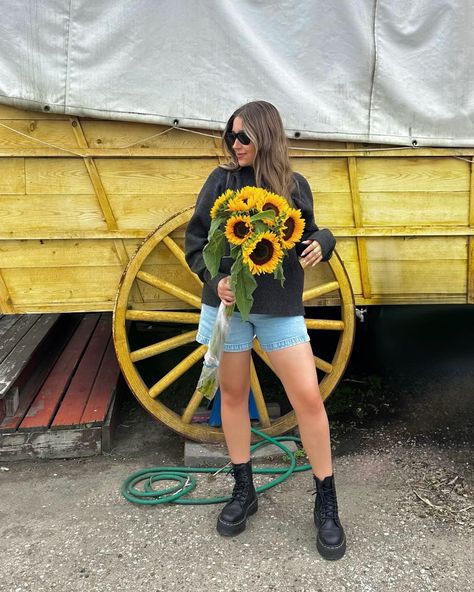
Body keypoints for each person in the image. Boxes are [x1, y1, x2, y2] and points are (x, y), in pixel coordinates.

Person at [185, 100, 345, 560]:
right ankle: (243, 489)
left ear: (266, 137)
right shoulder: (221, 182)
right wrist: (214, 279)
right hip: (229, 307)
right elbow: (196, 242)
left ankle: (326, 502)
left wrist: (324, 241)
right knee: (233, 397)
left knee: (308, 399)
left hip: (278, 308)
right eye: (230, 136)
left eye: (244, 137)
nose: (234, 145)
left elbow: (311, 232)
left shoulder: (294, 187)